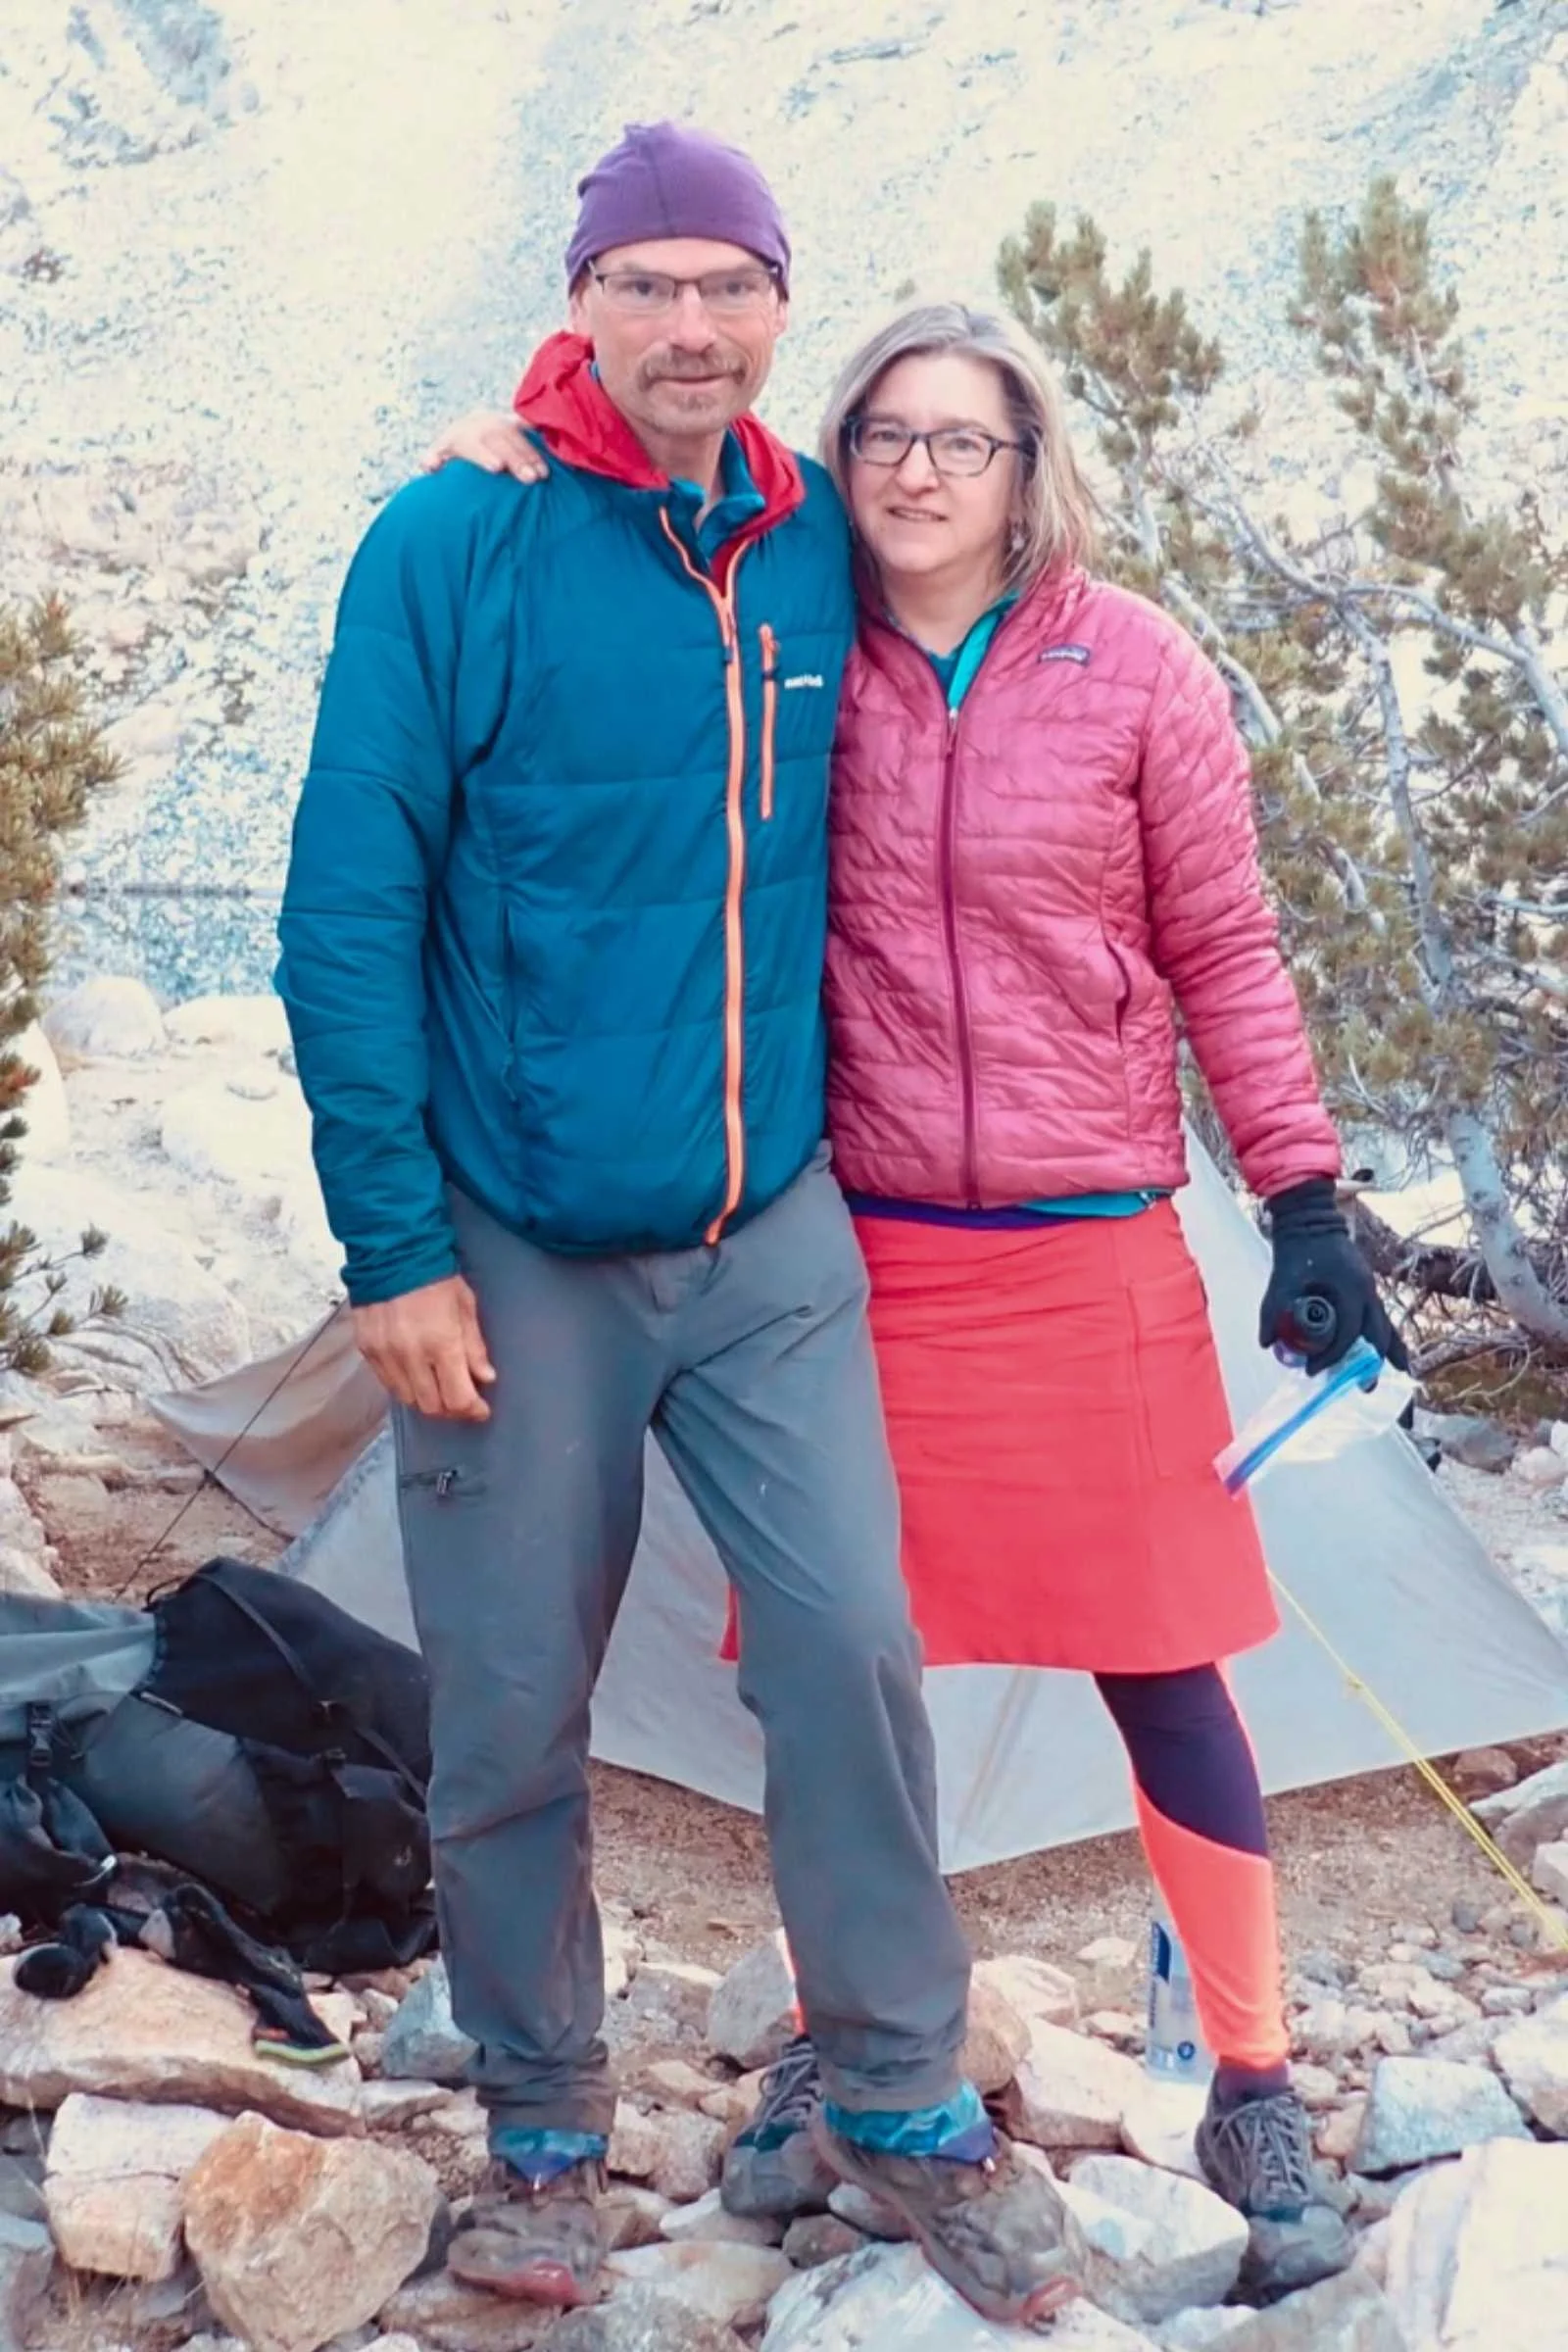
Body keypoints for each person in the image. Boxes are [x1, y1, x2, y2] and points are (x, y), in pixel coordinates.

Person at [424, 297, 1407, 2301]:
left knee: (1164, 1667)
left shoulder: (1131, 668)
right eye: (883, 432)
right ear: (837, 451)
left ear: (1029, 467)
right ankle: (842, 2051)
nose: (916, 473)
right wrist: (501, 440)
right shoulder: (787, 637)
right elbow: (629, 491)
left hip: (1091, 1237)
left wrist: (1302, 1203)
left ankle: (1246, 2071)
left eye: (963, 441)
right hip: (867, 1253)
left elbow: (1222, 946)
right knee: (843, 1666)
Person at [277, 127, 1080, 2329]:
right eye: (650, 287)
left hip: (767, 1234)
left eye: (731, 287)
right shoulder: (450, 542)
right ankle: (541, 2127)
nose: (693, 328)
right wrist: (389, 1251)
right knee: (510, 1715)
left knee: (847, 1654)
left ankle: (898, 2095)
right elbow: (343, 914)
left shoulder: (814, 537)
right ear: (584, 300)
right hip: (511, 1243)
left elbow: (1034, 597)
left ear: (775, 308)